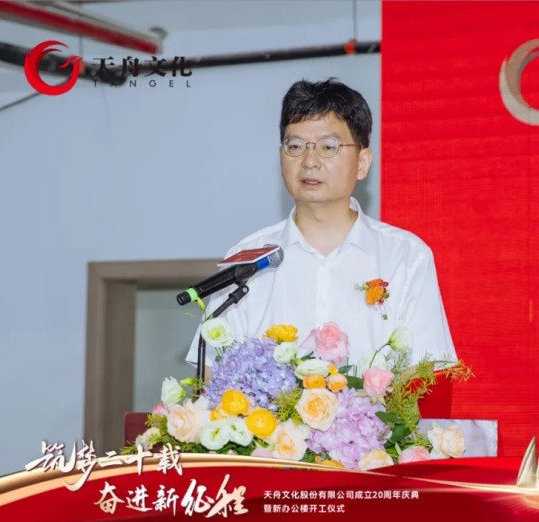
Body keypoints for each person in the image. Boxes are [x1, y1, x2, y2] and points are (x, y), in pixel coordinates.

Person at [186, 78, 455, 373]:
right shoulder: (246, 262)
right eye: (295, 146)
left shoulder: (405, 257)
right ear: (281, 158)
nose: (309, 161)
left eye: (328, 147)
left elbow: (427, 376)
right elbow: (211, 377)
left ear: (363, 162)